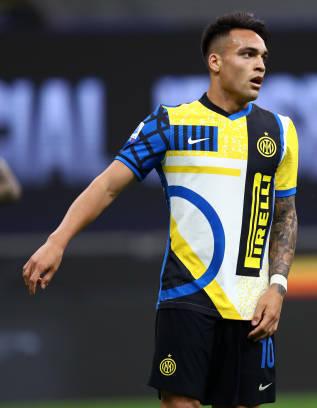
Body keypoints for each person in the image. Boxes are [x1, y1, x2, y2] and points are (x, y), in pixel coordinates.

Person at [21, 12, 298, 408]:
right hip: (187, 295)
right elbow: (108, 186)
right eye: (247, 54)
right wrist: (56, 241)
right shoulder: (170, 123)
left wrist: (277, 287)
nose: (260, 66)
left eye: (263, 57)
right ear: (215, 62)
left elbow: (285, 215)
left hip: (250, 302)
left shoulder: (280, 131)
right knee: (179, 404)